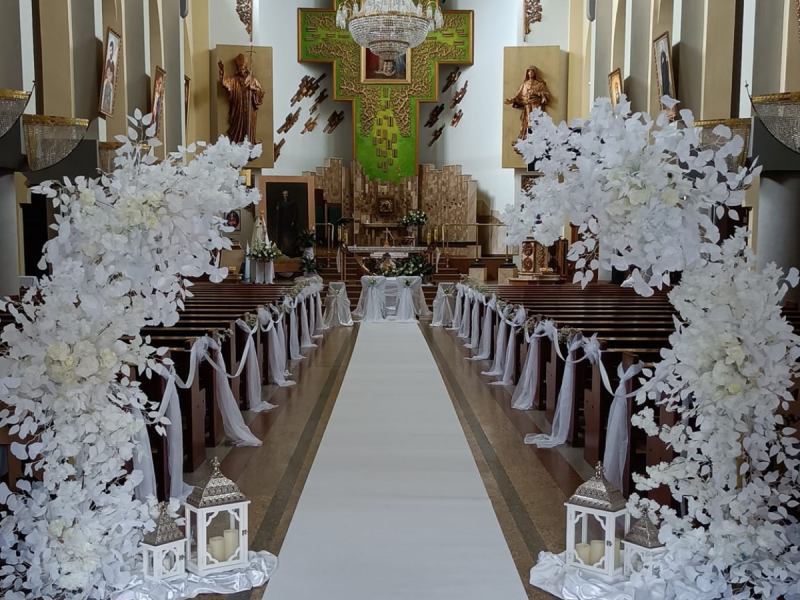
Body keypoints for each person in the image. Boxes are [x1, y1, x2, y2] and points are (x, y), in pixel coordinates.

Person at [219, 53, 265, 144]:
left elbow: (261, 92)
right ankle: (238, 144)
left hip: (249, 108)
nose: (241, 71)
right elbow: (225, 83)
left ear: (246, 69)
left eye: (243, 69)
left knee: (249, 126)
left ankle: (250, 143)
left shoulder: (252, 79)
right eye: (239, 69)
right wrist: (222, 72)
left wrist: (253, 88)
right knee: (238, 126)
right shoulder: (234, 80)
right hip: (238, 108)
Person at [505, 66, 551, 141]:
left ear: (535, 73)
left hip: (536, 105)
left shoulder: (540, 84)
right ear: (527, 73)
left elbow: (546, 95)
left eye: (532, 71)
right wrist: (511, 100)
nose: (530, 73)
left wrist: (535, 92)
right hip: (527, 105)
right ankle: (527, 138)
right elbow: (518, 95)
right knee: (528, 122)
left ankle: (537, 138)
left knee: (536, 121)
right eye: (529, 71)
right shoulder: (525, 84)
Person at [275, 190, 299, 257]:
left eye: (286, 194)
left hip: (290, 222)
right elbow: (279, 213)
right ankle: (284, 250)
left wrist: (293, 220)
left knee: (291, 236)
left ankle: (291, 251)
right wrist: (278, 209)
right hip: (283, 222)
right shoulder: (281, 203)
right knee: (283, 236)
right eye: (284, 194)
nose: (285, 196)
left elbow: (295, 212)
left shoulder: (292, 202)